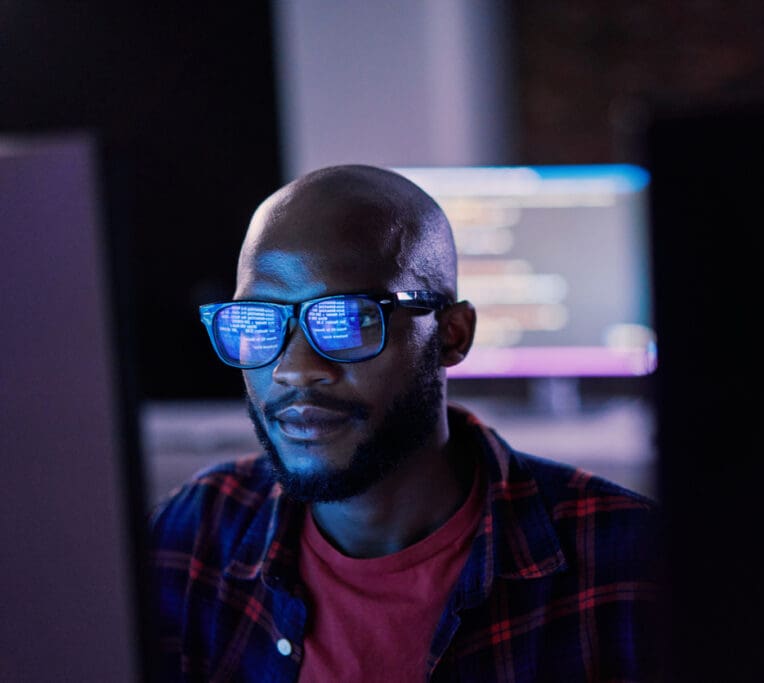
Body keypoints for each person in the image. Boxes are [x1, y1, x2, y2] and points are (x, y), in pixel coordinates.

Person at [148, 164, 662, 682]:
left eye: (349, 319)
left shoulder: (628, 563)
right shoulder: (193, 537)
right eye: (257, 322)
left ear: (452, 335)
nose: (294, 369)